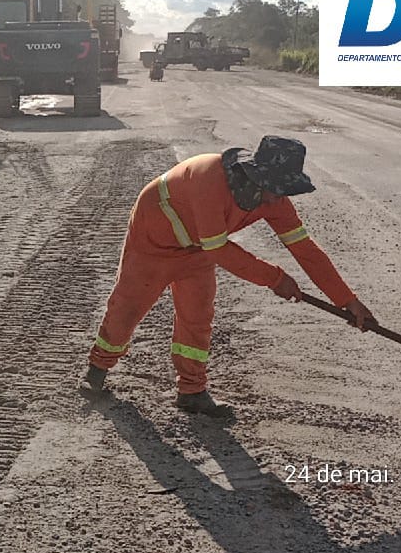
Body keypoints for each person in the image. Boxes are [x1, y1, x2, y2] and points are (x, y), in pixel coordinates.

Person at [82, 135, 375, 415]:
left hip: (198, 250)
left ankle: (192, 392)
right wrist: (274, 278)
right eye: (276, 188)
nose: (278, 199)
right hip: (154, 242)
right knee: (128, 307)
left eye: (284, 190)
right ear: (257, 176)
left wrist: (347, 300)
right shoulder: (209, 179)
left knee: (197, 316)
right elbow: (219, 249)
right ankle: (97, 371)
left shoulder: (274, 200)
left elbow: (305, 249)